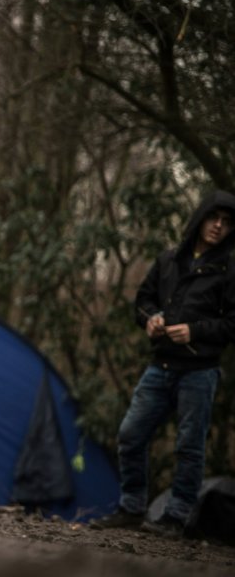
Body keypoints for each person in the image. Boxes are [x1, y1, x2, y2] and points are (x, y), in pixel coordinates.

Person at [91, 190, 235, 539]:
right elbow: (142, 301)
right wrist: (151, 319)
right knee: (130, 434)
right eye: (214, 217)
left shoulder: (230, 268)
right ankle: (131, 507)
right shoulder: (168, 260)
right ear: (201, 217)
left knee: (189, 445)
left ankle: (177, 517)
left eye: (227, 222)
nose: (219, 226)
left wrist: (196, 331)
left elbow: (233, 322)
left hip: (200, 371)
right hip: (161, 367)